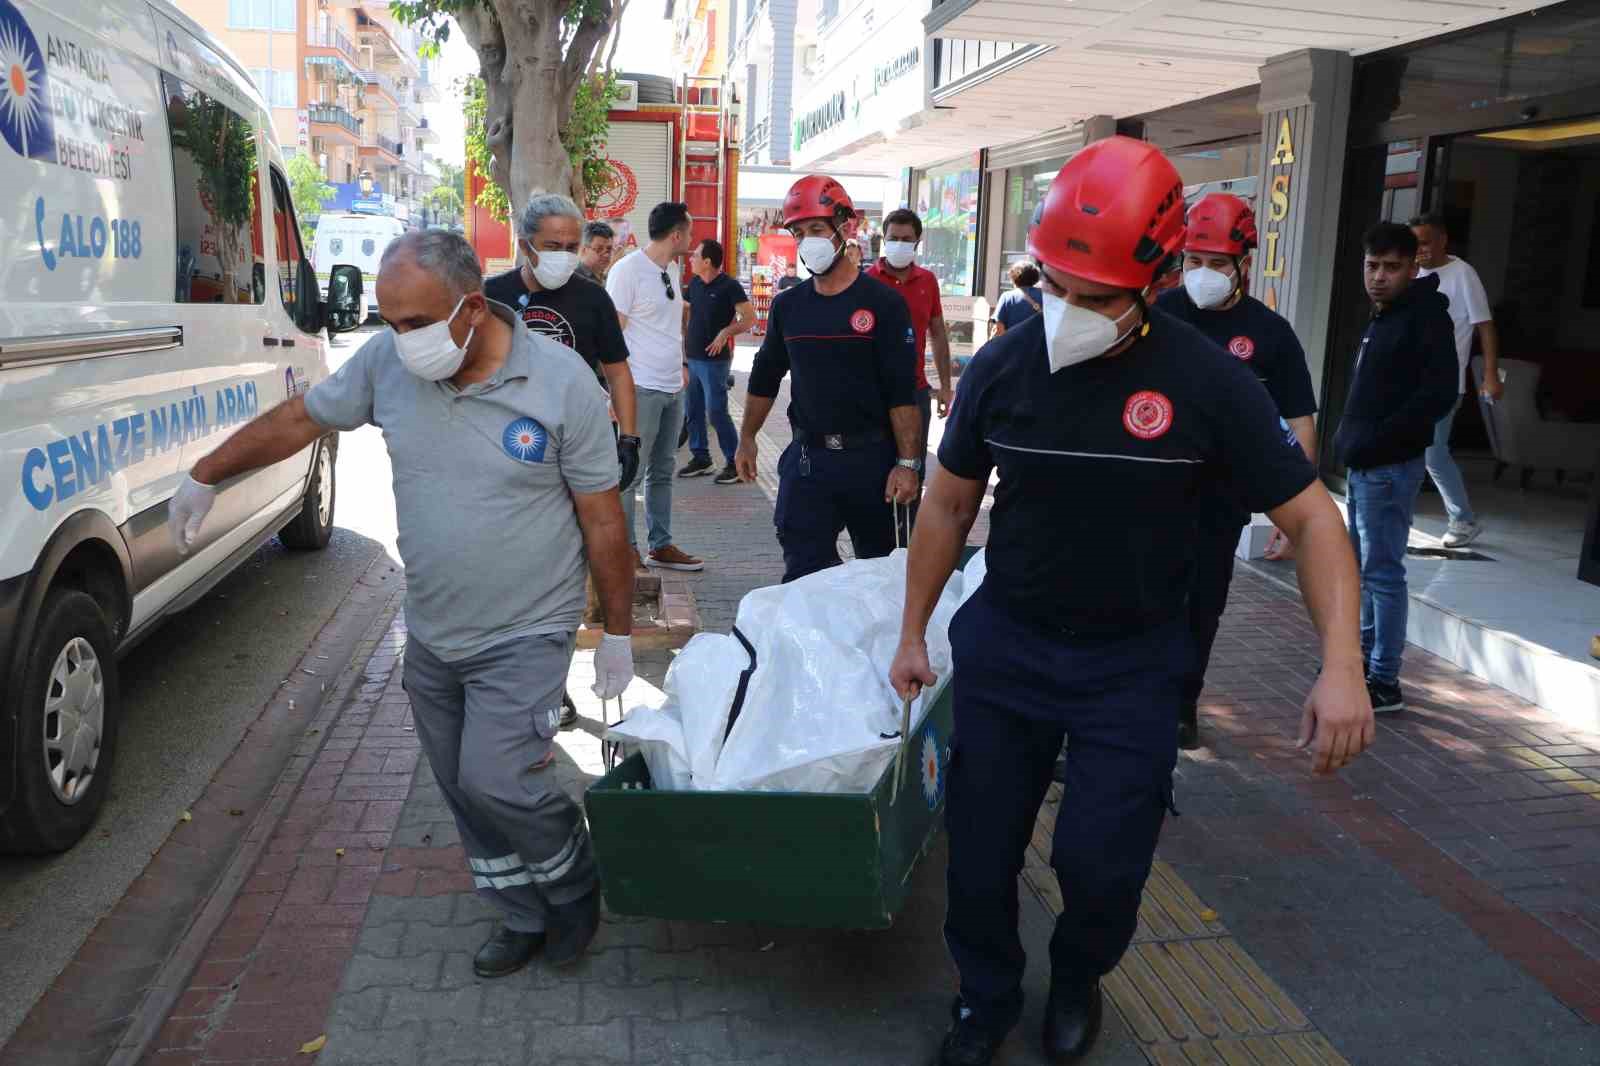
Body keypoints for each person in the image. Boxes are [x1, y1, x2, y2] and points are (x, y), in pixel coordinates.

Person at [887, 138, 1372, 1066]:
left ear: (1152, 278)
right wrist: (915, 632)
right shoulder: (1004, 367)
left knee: (1101, 861)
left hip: (1134, 664)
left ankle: (1076, 977)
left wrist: (1342, 664)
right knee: (981, 853)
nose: (1065, 311)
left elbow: (1314, 520)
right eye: (1054, 284)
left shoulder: (1209, 383)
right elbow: (948, 505)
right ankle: (983, 998)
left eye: (1094, 294)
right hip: (1008, 646)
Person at [166, 231, 634, 979]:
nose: (399, 338)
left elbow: (604, 519)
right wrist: (206, 473)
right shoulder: (387, 364)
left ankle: (574, 883)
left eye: (416, 323)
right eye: (388, 321)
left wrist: (617, 631)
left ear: (473, 308)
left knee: (498, 778)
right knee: (459, 787)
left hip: (527, 628)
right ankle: (518, 911)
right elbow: (302, 420)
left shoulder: (561, 383)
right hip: (433, 630)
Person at [1157, 192, 1318, 749]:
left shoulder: (1270, 333)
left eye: (1217, 264)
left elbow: (1299, 420)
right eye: (1193, 262)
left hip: (1219, 502)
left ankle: (1181, 705)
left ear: (1243, 265)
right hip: (1147, 493)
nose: (1202, 274)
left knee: (1200, 605)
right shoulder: (1156, 316)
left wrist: (1294, 512)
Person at [485, 193, 640, 726]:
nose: (565, 256)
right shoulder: (493, 297)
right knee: (512, 566)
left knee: (565, 570)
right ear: (525, 243)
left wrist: (629, 438)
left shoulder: (591, 300)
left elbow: (617, 371)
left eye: (573, 247)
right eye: (553, 246)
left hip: (575, 453)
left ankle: (552, 680)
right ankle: (511, 671)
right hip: (509, 456)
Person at [735, 175, 922, 582]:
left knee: (882, 580)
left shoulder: (884, 304)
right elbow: (766, 375)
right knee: (802, 579)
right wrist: (747, 437)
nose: (808, 242)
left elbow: (901, 390)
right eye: (799, 233)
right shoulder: (788, 307)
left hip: (872, 463)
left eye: (817, 229)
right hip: (808, 463)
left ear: (846, 227)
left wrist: (908, 464)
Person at [1334, 221, 1459, 714]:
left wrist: (1379, 440)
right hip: (1366, 466)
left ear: (1413, 267)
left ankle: (1384, 679)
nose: (1379, 276)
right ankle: (1364, 662)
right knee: (1364, 573)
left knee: (1383, 575)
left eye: (1391, 267)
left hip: (1388, 467)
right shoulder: (1383, 315)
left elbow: (1438, 393)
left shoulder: (1425, 316)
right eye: (1372, 266)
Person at [606, 201, 704, 572]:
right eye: (690, 232)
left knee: (662, 470)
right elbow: (612, 335)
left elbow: (670, 325)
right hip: (640, 388)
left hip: (670, 387)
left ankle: (660, 545)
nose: (693, 240)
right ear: (676, 234)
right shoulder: (627, 271)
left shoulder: (672, 268)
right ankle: (625, 550)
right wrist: (615, 393)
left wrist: (680, 364)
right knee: (630, 471)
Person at [1410, 212, 1502, 548]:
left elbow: (1485, 325)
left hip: (1445, 384)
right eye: (1414, 243)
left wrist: (1490, 375)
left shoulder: (1462, 274)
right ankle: (1401, 515)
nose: (1419, 250)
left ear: (1442, 240)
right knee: (1406, 451)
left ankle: (1462, 520)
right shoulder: (1411, 273)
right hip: (1409, 384)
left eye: (1425, 242)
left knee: (1434, 454)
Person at [866, 208, 953, 538]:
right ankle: (877, 540)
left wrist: (945, 386)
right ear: (883, 240)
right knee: (875, 468)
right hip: (873, 394)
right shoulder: (867, 281)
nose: (899, 244)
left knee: (912, 469)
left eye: (906, 239)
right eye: (893, 239)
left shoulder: (927, 281)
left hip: (916, 391)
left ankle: (908, 543)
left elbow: (938, 333)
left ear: (918, 241)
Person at [678, 238, 755, 484]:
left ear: (707, 261)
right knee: (693, 411)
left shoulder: (729, 286)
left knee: (716, 412)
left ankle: (734, 462)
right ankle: (701, 458)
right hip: (692, 358)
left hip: (714, 361)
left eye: (695, 256)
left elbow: (749, 319)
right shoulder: (696, 284)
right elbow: (686, 309)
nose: (691, 259)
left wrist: (725, 332)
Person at [991, 260, 1043, 336]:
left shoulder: (1007, 297)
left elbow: (999, 330)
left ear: (1014, 278)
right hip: (1041, 346)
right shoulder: (1045, 297)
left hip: (1013, 345)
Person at [576, 219, 616, 285]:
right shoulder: (574, 279)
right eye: (599, 249)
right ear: (583, 250)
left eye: (609, 249)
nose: (606, 255)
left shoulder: (608, 278)